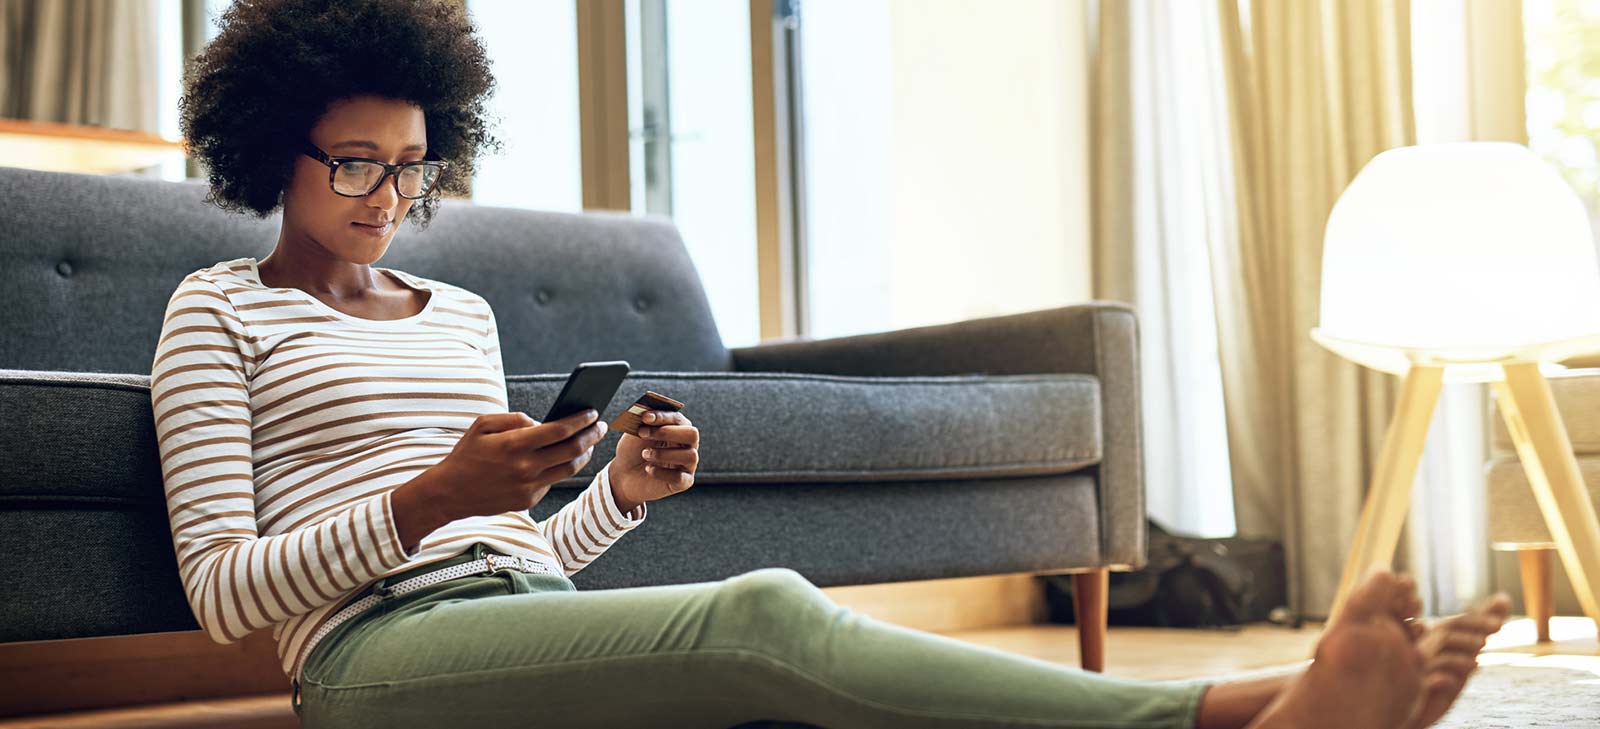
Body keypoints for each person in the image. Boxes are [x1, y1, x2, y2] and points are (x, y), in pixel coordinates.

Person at [152, 1, 1510, 726]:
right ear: (272, 149)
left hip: (493, 611)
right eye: (351, 164)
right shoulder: (215, 314)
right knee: (762, 617)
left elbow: (531, 566)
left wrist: (615, 494)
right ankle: (1228, 717)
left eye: (410, 164)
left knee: (799, 704)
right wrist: (430, 501)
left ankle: (1284, 695)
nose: (387, 195)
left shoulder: (456, 311)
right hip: (371, 662)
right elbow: (220, 595)